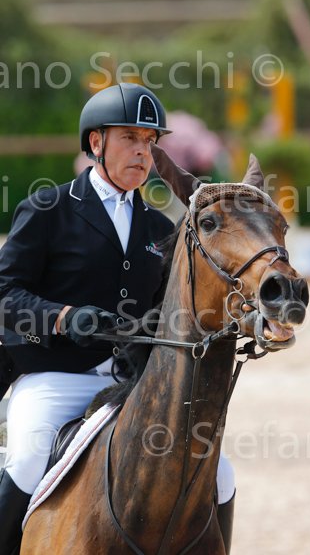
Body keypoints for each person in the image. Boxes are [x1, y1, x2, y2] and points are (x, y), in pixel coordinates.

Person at [0, 82, 235, 554]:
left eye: (149, 141)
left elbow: (172, 312)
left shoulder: (159, 226)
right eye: (129, 138)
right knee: (26, 459)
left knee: (221, 474)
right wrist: (63, 317)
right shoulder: (48, 209)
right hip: (55, 377)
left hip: (132, 384)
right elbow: (6, 294)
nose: (142, 152)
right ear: (96, 142)